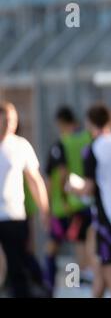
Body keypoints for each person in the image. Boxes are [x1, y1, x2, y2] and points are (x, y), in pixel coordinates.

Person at [68, 103, 111, 297]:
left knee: (109, 267)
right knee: (100, 267)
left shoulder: (94, 148)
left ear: (89, 123)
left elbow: (88, 188)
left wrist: (73, 188)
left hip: (107, 217)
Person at [0, 101, 50, 297]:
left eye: (12, 119)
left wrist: (44, 210)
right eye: (5, 119)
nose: (9, 123)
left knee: (17, 267)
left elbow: (34, 180)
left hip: (14, 215)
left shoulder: (20, 146)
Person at [43, 106, 93, 295]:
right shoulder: (88, 138)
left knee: (54, 245)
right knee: (82, 242)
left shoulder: (62, 143)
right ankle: (80, 282)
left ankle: (50, 285)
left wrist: (59, 201)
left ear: (61, 123)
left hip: (65, 206)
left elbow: (61, 173)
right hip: (87, 201)